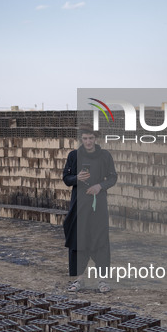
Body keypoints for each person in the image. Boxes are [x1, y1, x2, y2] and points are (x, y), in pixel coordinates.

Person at [63, 123, 117, 293]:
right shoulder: (74, 155)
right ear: (81, 139)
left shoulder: (105, 156)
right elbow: (66, 178)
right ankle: (79, 280)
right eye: (85, 139)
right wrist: (77, 177)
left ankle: (102, 280)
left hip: (98, 205)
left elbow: (113, 177)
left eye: (91, 138)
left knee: (100, 241)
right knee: (78, 241)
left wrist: (100, 186)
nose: (88, 142)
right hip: (79, 206)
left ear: (96, 138)